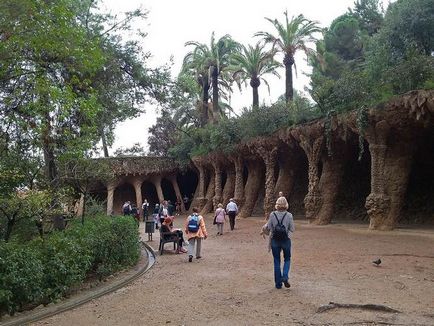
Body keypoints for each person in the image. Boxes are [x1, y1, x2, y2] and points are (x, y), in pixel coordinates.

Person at [261, 196, 295, 289]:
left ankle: (278, 284)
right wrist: (287, 234)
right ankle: (285, 276)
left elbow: (269, 227)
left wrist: (264, 230)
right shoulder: (289, 215)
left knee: (276, 261)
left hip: (275, 240)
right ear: (286, 205)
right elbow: (292, 228)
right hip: (286, 240)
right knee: (287, 259)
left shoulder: (272, 214)